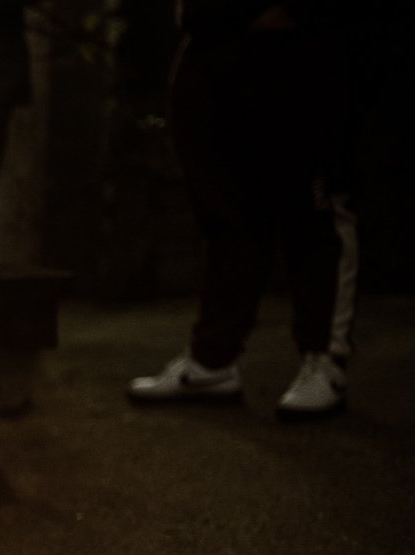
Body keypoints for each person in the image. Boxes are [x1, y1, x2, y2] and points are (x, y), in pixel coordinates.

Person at [128, 1, 358, 419]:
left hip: (291, 55)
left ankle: (325, 360)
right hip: (216, 56)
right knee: (227, 218)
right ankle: (213, 360)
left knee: (311, 214)